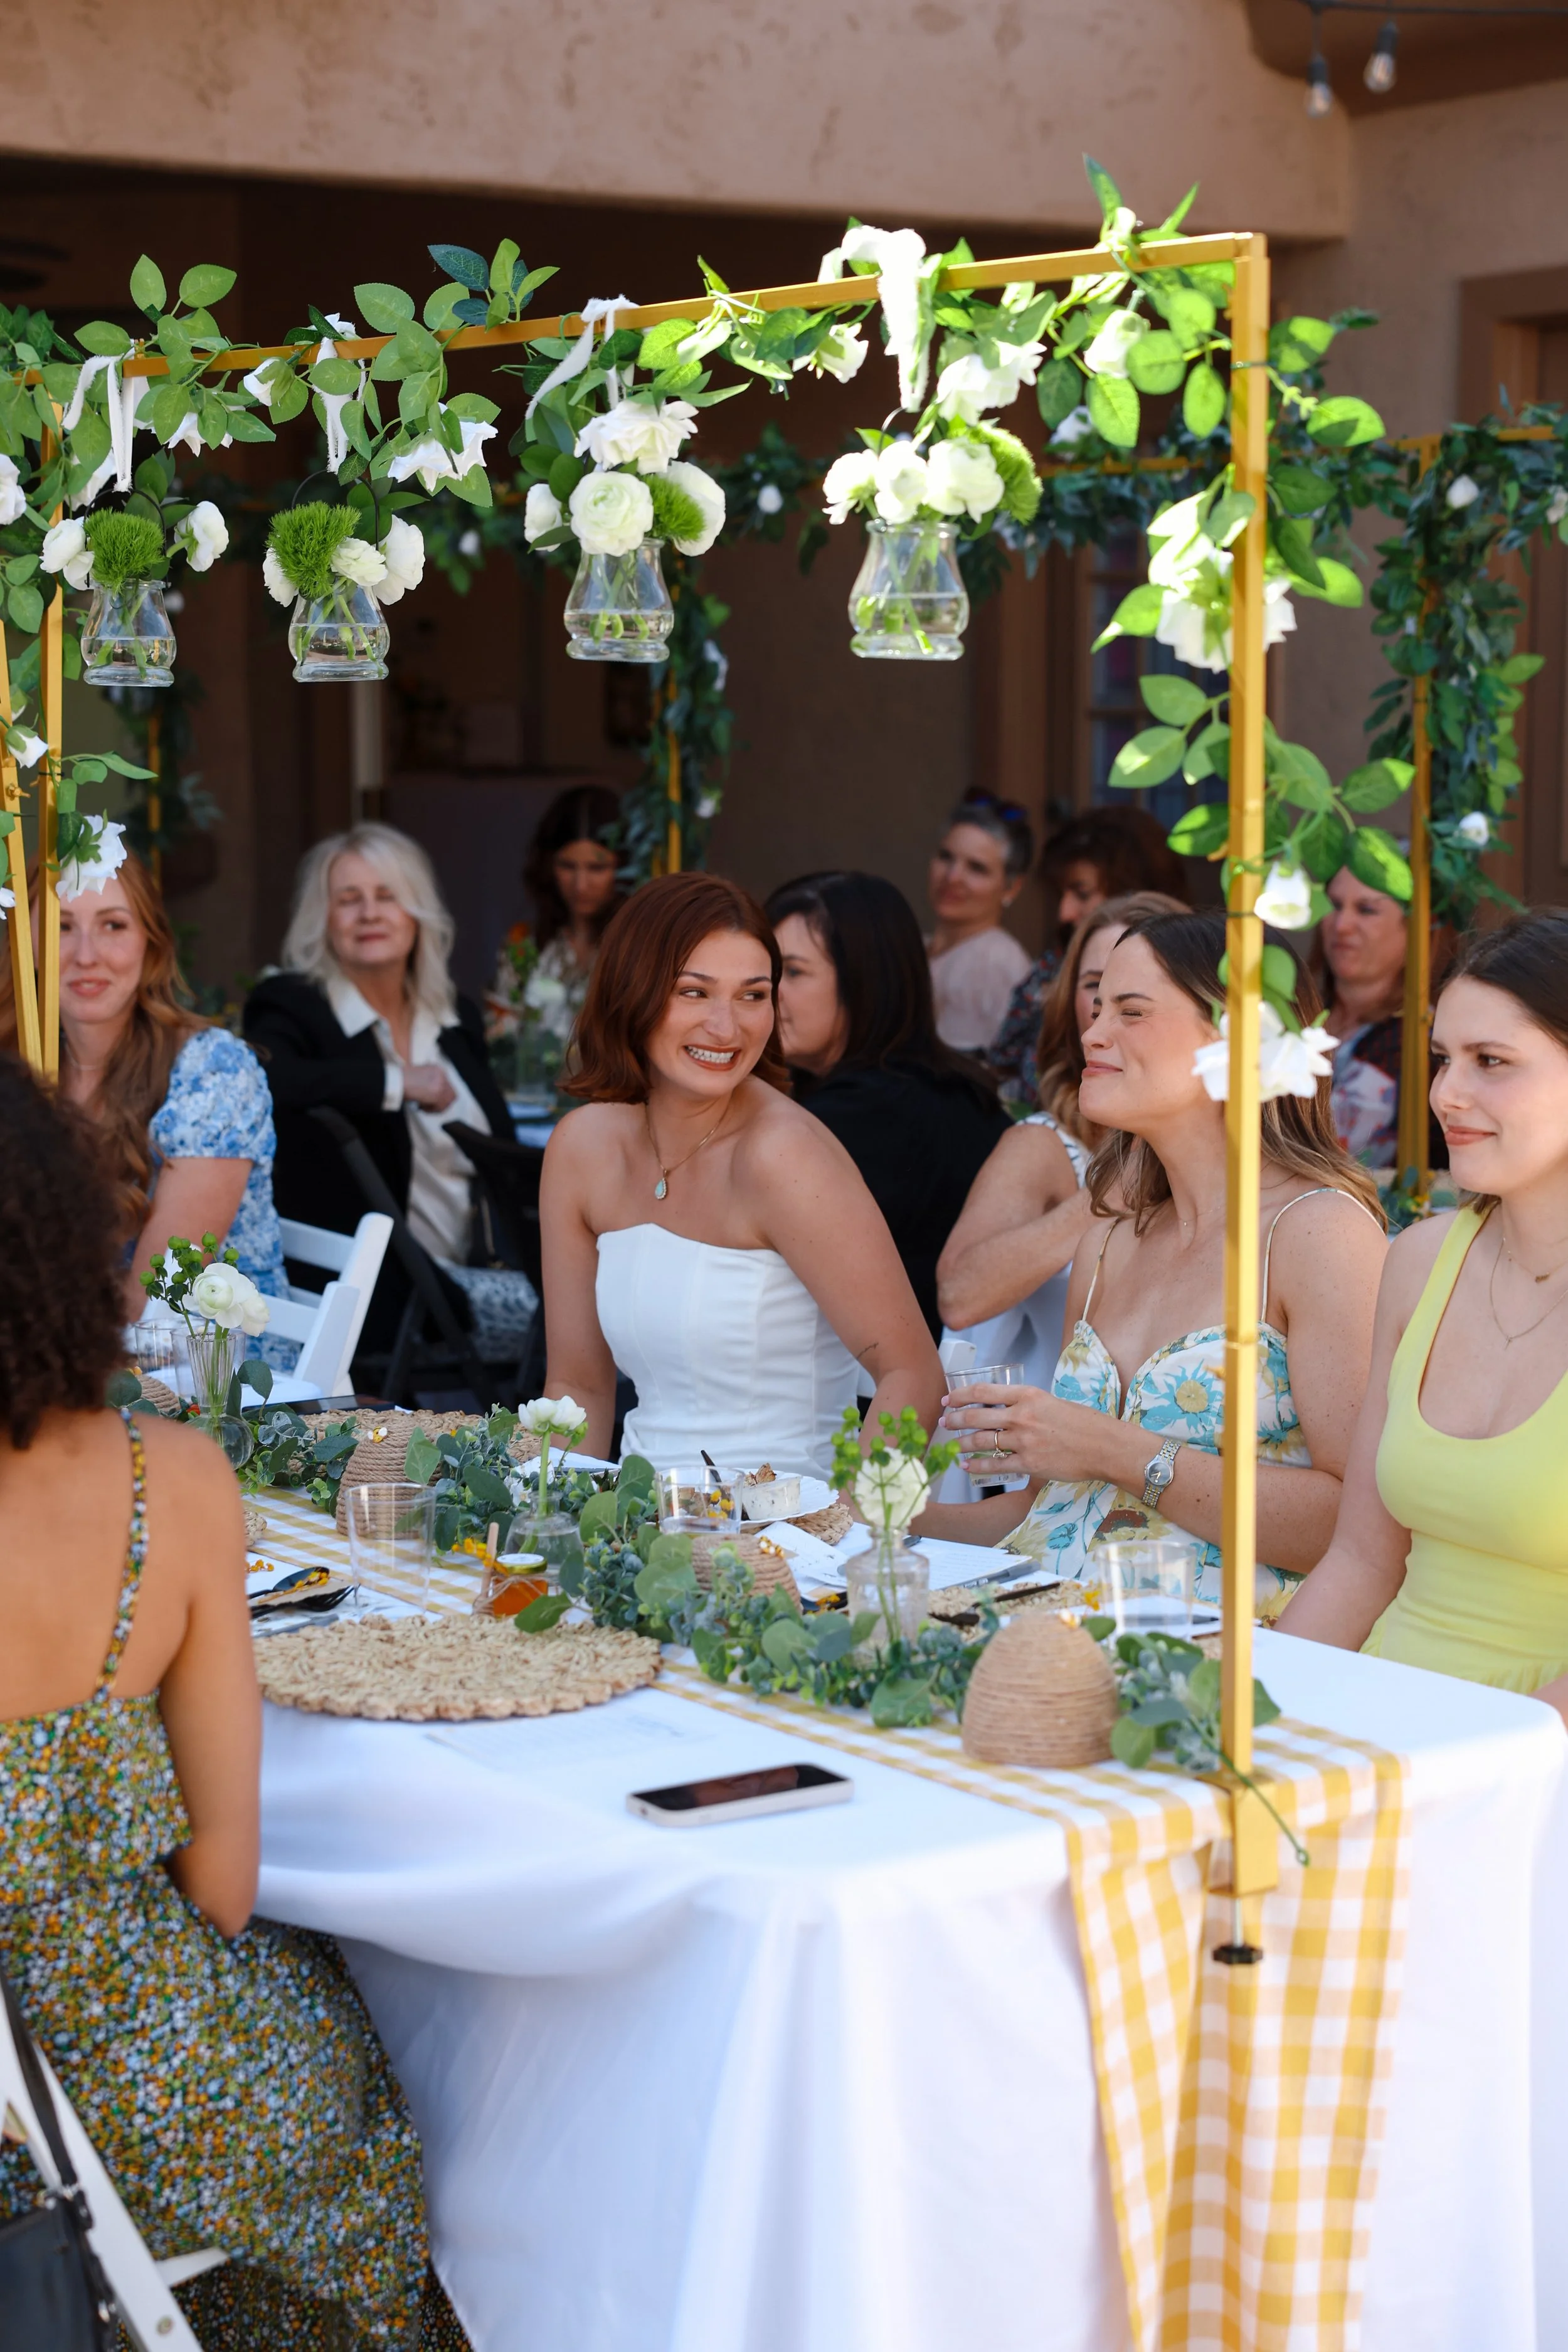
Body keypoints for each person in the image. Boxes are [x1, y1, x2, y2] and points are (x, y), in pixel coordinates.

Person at [0, 1057, 467, 2350]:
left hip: (26, 2118)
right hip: (139, 2100)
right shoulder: (171, 1478)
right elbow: (223, 1881)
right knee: (380, 2056)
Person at [920, 909, 1389, 1609]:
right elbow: (1048, 1513)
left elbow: (1356, 1531)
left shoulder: (1318, 1234)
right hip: (1043, 1634)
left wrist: (1113, 1449)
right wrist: (872, 1523)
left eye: (1131, 1011)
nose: (1093, 1032)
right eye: (1097, 1004)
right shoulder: (1108, 1240)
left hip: (1213, 1662)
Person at [539, 871, 943, 1477]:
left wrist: (852, 1528)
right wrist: (547, 1522)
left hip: (787, 1533)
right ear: (633, 992)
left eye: (753, 995)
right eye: (694, 993)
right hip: (636, 1533)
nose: (727, 1029)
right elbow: (578, 1385)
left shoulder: (783, 1154)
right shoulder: (583, 1148)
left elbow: (913, 1375)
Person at [1279, 911, 1568, 1707]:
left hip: (1530, 1756)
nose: (1447, 1093)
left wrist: (1468, 1779)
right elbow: (1361, 1562)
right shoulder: (1418, 1260)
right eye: (1443, 1059)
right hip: (1381, 1709)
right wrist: (1252, 1716)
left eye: (1491, 1062)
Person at [245, 822, 531, 1359]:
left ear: (417, 913)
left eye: (388, 897)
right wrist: (398, 1083)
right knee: (575, 1324)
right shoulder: (293, 1006)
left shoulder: (455, 1018)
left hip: (480, 1264)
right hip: (390, 1289)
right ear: (323, 918)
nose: (370, 914)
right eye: (349, 900)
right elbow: (269, 1080)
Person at [0, 851, 288, 1327]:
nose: (86, 955)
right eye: (62, 926)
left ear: (150, 945)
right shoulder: (22, 1065)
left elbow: (155, 1305)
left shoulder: (212, 1073)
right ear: (26, 942)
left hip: (203, 1370)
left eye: (113, 926)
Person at [936, 891, 1186, 1386]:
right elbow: (959, 1295)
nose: (1104, 1015)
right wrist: (1114, 1188)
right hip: (1047, 1444)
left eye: (1133, 1002)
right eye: (1094, 987)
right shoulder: (1044, 1145)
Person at [766, 869, 1010, 1340]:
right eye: (767, 969)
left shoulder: (863, 1116)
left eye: (793, 972)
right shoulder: (944, 1085)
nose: (766, 990)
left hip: (892, 1403)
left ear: (863, 982)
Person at [988, 807, 1188, 1098]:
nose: (1065, 912)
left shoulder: (1189, 969)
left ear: (1135, 892)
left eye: (1081, 893)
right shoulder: (1050, 970)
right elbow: (1003, 1063)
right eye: (1092, 985)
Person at [1318, 861, 1444, 1172]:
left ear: (1416, 927)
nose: (1342, 924)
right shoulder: (1292, 1011)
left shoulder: (1422, 1036)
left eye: (1366, 910)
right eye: (1334, 905)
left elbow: (1337, 1153)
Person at [487, 782, 624, 1061]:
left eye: (597, 868)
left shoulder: (640, 950)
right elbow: (498, 1041)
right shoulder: (524, 945)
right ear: (548, 866)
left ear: (625, 869)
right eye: (567, 866)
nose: (581, 884)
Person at [925, 790, 1034, 1052]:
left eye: (976, 868)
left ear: (1011, 888)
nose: (953, 877)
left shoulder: (995, 963)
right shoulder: (919, 945)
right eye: (946, 857)